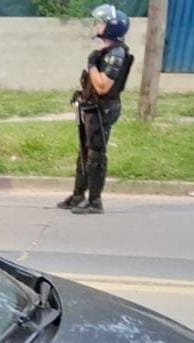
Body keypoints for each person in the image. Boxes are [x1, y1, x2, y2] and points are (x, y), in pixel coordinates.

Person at [59, 5, 133, 215]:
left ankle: (95, 201)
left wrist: (92, 65)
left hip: (104, 109)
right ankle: (77, 195)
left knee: (96, 154)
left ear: (112, 27)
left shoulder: (116, 54)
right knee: (85, 152)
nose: (97, 25)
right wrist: (82, 94)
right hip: (92, 107)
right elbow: (94, 86)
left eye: (101, 22)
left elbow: (103, 86)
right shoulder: (106, 52)